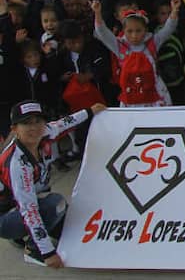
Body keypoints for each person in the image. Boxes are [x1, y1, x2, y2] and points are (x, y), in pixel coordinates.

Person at [0, 99, 107, 267]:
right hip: (7, 216)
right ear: (14, 129)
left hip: (18, 207)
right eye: (26, 123)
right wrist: (47, 252)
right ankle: (33, 250)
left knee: (71, 226)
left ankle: (20, 235)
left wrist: (90, 111)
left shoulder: (45, 132)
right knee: (54, 203)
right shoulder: (17, 164)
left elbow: (65, 123)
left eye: (38, 121)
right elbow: (29, 209)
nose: (34, 128)